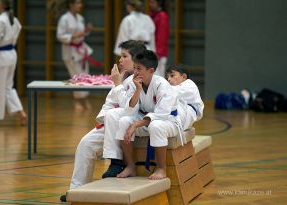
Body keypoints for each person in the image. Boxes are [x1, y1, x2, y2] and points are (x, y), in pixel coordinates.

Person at [59, 40, 146, 202]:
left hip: (133, 124)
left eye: (124, 56)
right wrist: (104, 117)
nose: (120, 60)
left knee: (115, 115)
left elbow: (129, 108)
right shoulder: (122, 77)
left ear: (135, 60)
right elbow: (109, 104)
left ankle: (116, 162)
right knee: (86, 143)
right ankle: (76, 190)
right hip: (111, 124)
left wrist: (118, 84)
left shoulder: (140, 78)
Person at [115, 49, 179, 180]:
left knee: (156, 125)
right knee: (123, 121)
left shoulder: (162, 85)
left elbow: (161, 114)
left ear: (151, 70)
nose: (135, 72)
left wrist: (136, 125)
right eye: (134, 68)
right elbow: (129, 111)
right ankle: (131, 166)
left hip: (168, 121)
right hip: (146, 120)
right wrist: (137, 90)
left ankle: (161, 168)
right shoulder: (135, 83)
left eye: (139, 68)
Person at [57, 0, 93, 111]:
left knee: (85, 76)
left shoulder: (80, 18)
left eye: (80, 3)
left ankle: (84, 99)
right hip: (70, 50)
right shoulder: (64, 19)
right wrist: (76, 35)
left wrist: (87, 31)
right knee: (75, 76)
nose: (80, 5)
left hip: (81, 49)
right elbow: (60, 36)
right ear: (70, 4)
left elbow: (82, 34)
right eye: (77, 3)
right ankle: (77, 100)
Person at [166, 64, 204, 135]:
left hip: (189, 113)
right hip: (183, 112)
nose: (168, 79)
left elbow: (173, 92)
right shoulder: (175, 87)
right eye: (167, 77)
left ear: (183, 77)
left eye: (172, 76)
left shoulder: (189, 84)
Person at [149, 0, 169, 77]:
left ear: (158, 3)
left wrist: (158, 53)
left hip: (158, 53)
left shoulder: (162, 16)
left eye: (152, 2)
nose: (150, 4)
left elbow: (162, 36)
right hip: (153, 50)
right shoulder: (152, 15)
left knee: (159, 77)